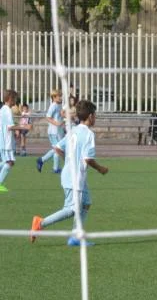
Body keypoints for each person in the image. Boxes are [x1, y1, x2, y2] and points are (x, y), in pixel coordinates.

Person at [30, 99, 109, 246]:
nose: (95, 118)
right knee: (71, 209)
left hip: (70, 175)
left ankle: (75, 237)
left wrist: (68, 161)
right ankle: (40, 223)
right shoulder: (88, 134)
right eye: (95, 115)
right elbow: (88, 159)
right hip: (75, 178)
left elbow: (58, 148)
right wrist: (101, 169)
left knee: (86, 203)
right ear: (90, 116)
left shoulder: (73, 130)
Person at [37, 90, 65, 173]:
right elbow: (48, 117)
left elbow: (60, 115)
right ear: (54, 97)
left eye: (61, 96)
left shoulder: (59, 105)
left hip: (58, 131)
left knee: (58, 148)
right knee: (57, 148)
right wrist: (56, 123)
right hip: (53, 131)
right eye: (59, 96)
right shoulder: (53, 106)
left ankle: (53, 167)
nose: (60, 98)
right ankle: (43, 161)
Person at [0, 90, 22, 193]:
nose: (16, 101)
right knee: (9, 162)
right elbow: (10, 127)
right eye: (15, 98)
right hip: (6, 141)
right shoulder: (7, 110)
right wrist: (25, 126)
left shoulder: (3, 109)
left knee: (7, 162)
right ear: (10, 99)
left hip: (5, 140)